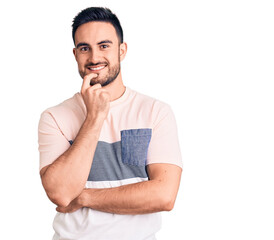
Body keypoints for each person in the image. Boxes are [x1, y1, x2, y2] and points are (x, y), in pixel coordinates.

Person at [38, 7, 182, 240]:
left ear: (122, 50)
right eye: (85, 48)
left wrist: (84, 197)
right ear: (75, 54)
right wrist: (94, 118)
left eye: (104, 46)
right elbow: (62, 194)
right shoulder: (55, 117)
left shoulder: (155, 112)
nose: (94, 58)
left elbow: (164, 196)